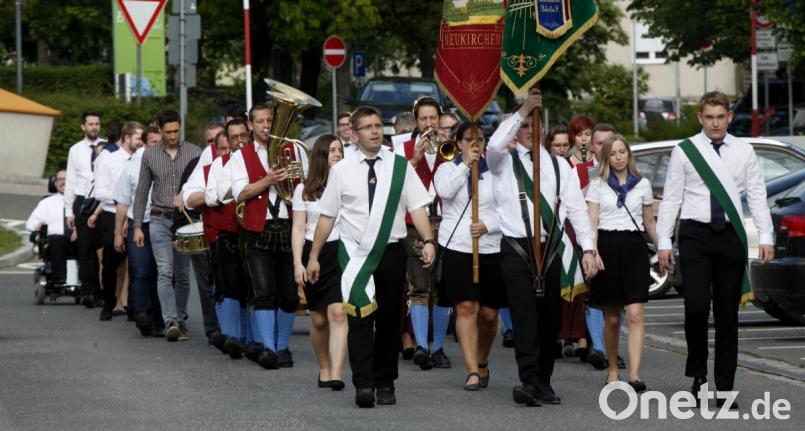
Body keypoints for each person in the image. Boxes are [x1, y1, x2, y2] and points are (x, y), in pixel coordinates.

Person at [307, 106, 435, 408]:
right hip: (354, 254)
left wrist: (428, 239)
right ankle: (363, 384)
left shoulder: (399, 165)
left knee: (390, 319)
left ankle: (386, 380)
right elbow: (327, 217)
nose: (375, 131)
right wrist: (313, 255)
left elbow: (417, 207)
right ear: (355, 133)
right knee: (360, 318)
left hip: (391, 251)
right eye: (368, 127)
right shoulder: (341, 170)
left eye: (379, 125)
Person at [657, 91, 774, 409]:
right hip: (695, 234)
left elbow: (757, 195)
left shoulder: (743, 150)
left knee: (726, 315)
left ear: (729, 117)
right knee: (695, 307)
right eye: (709, 117)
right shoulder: (685, 151)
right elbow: (671, 198)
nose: (715, 123)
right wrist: (664, 241)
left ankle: (725, 388)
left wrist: (766, 236)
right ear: (700, 118)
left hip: (729, 237)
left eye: (720, 116)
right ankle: (698, 376)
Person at [487, 89, 598, 406]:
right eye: (523, 126)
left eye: (534, 124)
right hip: (517, 248)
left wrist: (588, 249)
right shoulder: (502, 163)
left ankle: (544, 381)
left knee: (550, 319)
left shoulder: (559, 166)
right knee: (524, 317)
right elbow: (494, 144)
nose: (529, 130)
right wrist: (523, 110)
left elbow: (576, 209)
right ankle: (529, 380)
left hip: (552, 248)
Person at [230, 103, 305, 369]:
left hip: (288, 227)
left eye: (269, 120)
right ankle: (269, 349)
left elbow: (306, 186)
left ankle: (283, 346)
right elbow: (240, 193)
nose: (264, 126)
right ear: (250, 125)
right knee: (263, 292)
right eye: (259, 121)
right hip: (256, 230)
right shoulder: (241, 156)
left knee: (289, 295)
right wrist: (268, 179)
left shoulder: (292, 149)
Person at [433, 122, 505, 391]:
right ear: (460, 142)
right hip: (459, 247)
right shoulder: (447, 169)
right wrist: (465, 165)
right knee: (466, 307)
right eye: (469, 139)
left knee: (488, 314)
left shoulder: (497, 172)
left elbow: (508, 208)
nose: (476, 144)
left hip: (490, 247)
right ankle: (472, 369)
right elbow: (445, 193)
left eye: (481, 140)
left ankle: (482, 359)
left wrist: (489, 224)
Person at [586, 134, 659, 392]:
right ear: (606, 157)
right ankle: (613, 369)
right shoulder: (598, 185)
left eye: (622, 152)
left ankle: (635, 375)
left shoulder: (643, 184)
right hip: (606, 246)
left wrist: (662, 247)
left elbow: (649, 222)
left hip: (633, 248)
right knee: (613, 319)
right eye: (613, 153)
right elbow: (592, 223)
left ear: (629, 154)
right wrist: (593, 251)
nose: (618, 157)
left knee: (636, 313)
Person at [133, 109, 201, 343]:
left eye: (176, 131)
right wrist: (137, 226)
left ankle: (181, 319)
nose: (173, 135)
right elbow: (142, 191)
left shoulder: (194, 151)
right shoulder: (149, 155)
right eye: (168, 131)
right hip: (159, 218)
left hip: (184, 219)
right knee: (165, 271)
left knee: (182, 274)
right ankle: (169, 321)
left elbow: (201, 184)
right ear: (159, 130)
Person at [394, 96, 451, 370]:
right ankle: (420, 346)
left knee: (442, 287)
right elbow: (395, 185)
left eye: (433, 118)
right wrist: (415, 158)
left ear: (439, 119)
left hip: (446, 220)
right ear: (416, 122)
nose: (429, 123)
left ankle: (438, 347)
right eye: (424, 119)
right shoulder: (401, 147)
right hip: (414, 223)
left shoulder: (448, 146)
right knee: (418, 285)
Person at [291, 134, 348, 391]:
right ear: (321, 156)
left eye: (340, 150)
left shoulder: (349, 184)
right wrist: (297, 264)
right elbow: (298, 228)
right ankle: (324, 366)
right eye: (332, 150)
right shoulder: (303, 189)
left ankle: (336, 372)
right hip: (314, 253)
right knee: (318, 319)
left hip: (341, 251)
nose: (337, 154)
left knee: (338, 312)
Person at [179, 122, 228, 345]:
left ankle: (233, 328)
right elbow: (185, 197)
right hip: (207, 228)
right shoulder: (200, 165)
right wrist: (213, 195)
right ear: (212, 147)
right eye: (213, 142)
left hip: (235, 233)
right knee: (207, 283)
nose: (226, 151)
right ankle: (213, 329)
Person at [90, 121, 143, 321]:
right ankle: (109, 303)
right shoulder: (108, 159)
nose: (141, 142)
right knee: (110, 263)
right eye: (138, 137)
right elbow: (100, 191)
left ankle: (133, 306)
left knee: (136, 263)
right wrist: (122, 198)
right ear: (127, 137)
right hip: (112, 215)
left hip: (136, 214)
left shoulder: (142, 160)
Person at [113, 126, 163, 337]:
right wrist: (118, 232)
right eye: (153, 142)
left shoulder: (169, 161)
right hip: (139, 223)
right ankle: (142, 312)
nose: (158, 146)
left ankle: (160, 319)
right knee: (140, 270)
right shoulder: (133, 166)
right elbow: (123, 202)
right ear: (144, 143)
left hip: (163, 222)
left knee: (161, 273)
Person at [64, 110, 103, 307]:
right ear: (83, 127)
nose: (94, 127)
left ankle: (104, 292)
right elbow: (70, 181)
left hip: (101, 200)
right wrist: (68, 211)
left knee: (102, 248)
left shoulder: (107, 147)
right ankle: (88, 292)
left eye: (97, 124)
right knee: (85, 248)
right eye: (90, 124)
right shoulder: (75, 150)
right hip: (82, 200)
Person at [27, 170, 71, 286]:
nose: (64, 182)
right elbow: (31, 222)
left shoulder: (81, 201)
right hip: (55, 242)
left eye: (67, 179)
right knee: (57, 238)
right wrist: (37, 225)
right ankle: (60, 278)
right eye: (61, 179)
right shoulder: (47, 202)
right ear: (55, 183)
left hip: (77, 240)